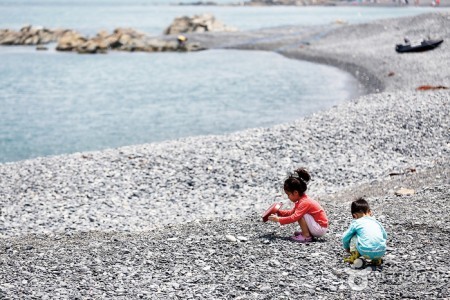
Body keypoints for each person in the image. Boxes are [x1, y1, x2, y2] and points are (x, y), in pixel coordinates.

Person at [268, 168, 328, 243]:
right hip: (318, 227)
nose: (288, 197)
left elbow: (294, 217)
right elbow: (291, 213)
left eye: (289, 194)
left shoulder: (304, 202)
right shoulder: (302, 200)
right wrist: (279, 212)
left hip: (320, 229)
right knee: (299, 214)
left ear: (295, 192)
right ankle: (307, 233)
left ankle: (306, 236)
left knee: (300, 215)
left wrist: (278, 219)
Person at [342, 198, 387, 265]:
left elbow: (345, 237)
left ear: (355, 216)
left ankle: (354, 257)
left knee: (353, 236)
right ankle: (376, 260)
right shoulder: (376, 222)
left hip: (365, 251)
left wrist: (347, 247)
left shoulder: (356, 222)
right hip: (381, 251)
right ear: (370, 212)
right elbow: (384, 235)